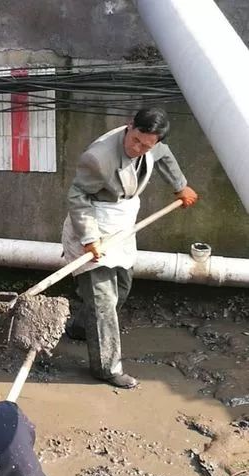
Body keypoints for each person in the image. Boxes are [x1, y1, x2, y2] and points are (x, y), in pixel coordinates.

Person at [61, 108, 199, 389]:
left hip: (122, 225)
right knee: (103, 300)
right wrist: (89, 237)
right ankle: (106, 368)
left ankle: (80, 329)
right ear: (129, 126)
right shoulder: (99, 158)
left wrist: (180, 186)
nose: (139, 149)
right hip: (92, 224)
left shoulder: (152, 145)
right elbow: (77, 196)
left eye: (147, 145)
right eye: (136, 141)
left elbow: (163, 155)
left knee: (122, 288)